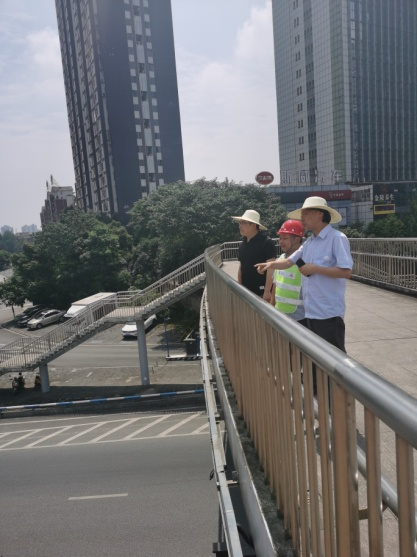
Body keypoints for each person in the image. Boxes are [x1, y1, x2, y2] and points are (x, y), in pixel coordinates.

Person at [256, 196, 353, 352]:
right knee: (315, 358)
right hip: (310, 313)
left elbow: (346, 272)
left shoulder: (337, 238)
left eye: (305, 214)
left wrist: (315, 269)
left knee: (334, 359)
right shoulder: (309, 242)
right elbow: (289, 262)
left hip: (328, 315)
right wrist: (270, 265)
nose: (302, 219)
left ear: (319, 214)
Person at [231, 210, 276, 300]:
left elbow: (271, 268)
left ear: (254, 225)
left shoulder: (266, 242)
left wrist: (267, 291)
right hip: (246, 292)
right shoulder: (242, 244)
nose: (240, 226)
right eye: (240, 223)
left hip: (261, 294)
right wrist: (240, 287)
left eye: (243, 223)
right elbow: (241, 267)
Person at [269, 219, 306, 324]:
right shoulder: (281, 259)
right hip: (280, 315)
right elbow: (275, 285)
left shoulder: (305, 260)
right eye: (280, 238)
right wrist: (272, 308)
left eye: (285, 238)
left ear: (297, 240)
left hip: (300, 318)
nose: (281, 242)